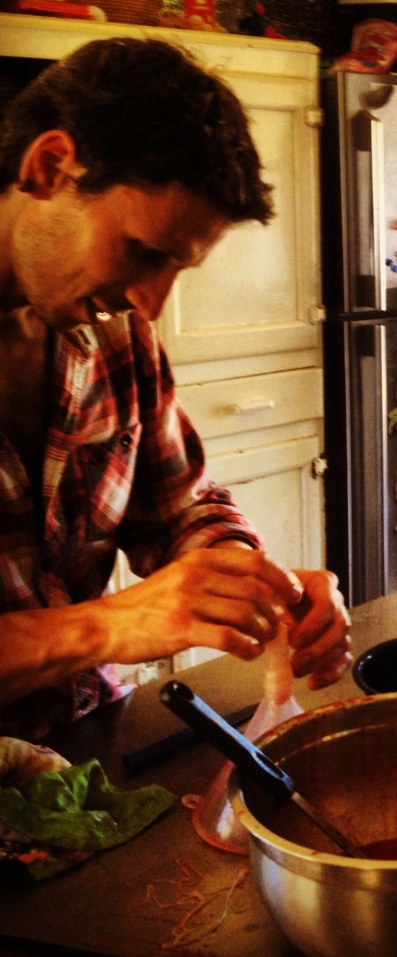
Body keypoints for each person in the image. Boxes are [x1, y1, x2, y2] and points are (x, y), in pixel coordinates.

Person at [0, 37, 351, 739]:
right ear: (50, 168)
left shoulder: (116, 332)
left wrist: (250, 581)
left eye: (177, 269)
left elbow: (178, 505)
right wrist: (106, 625)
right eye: (144, 252)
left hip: (86, 739)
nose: (151, 303)